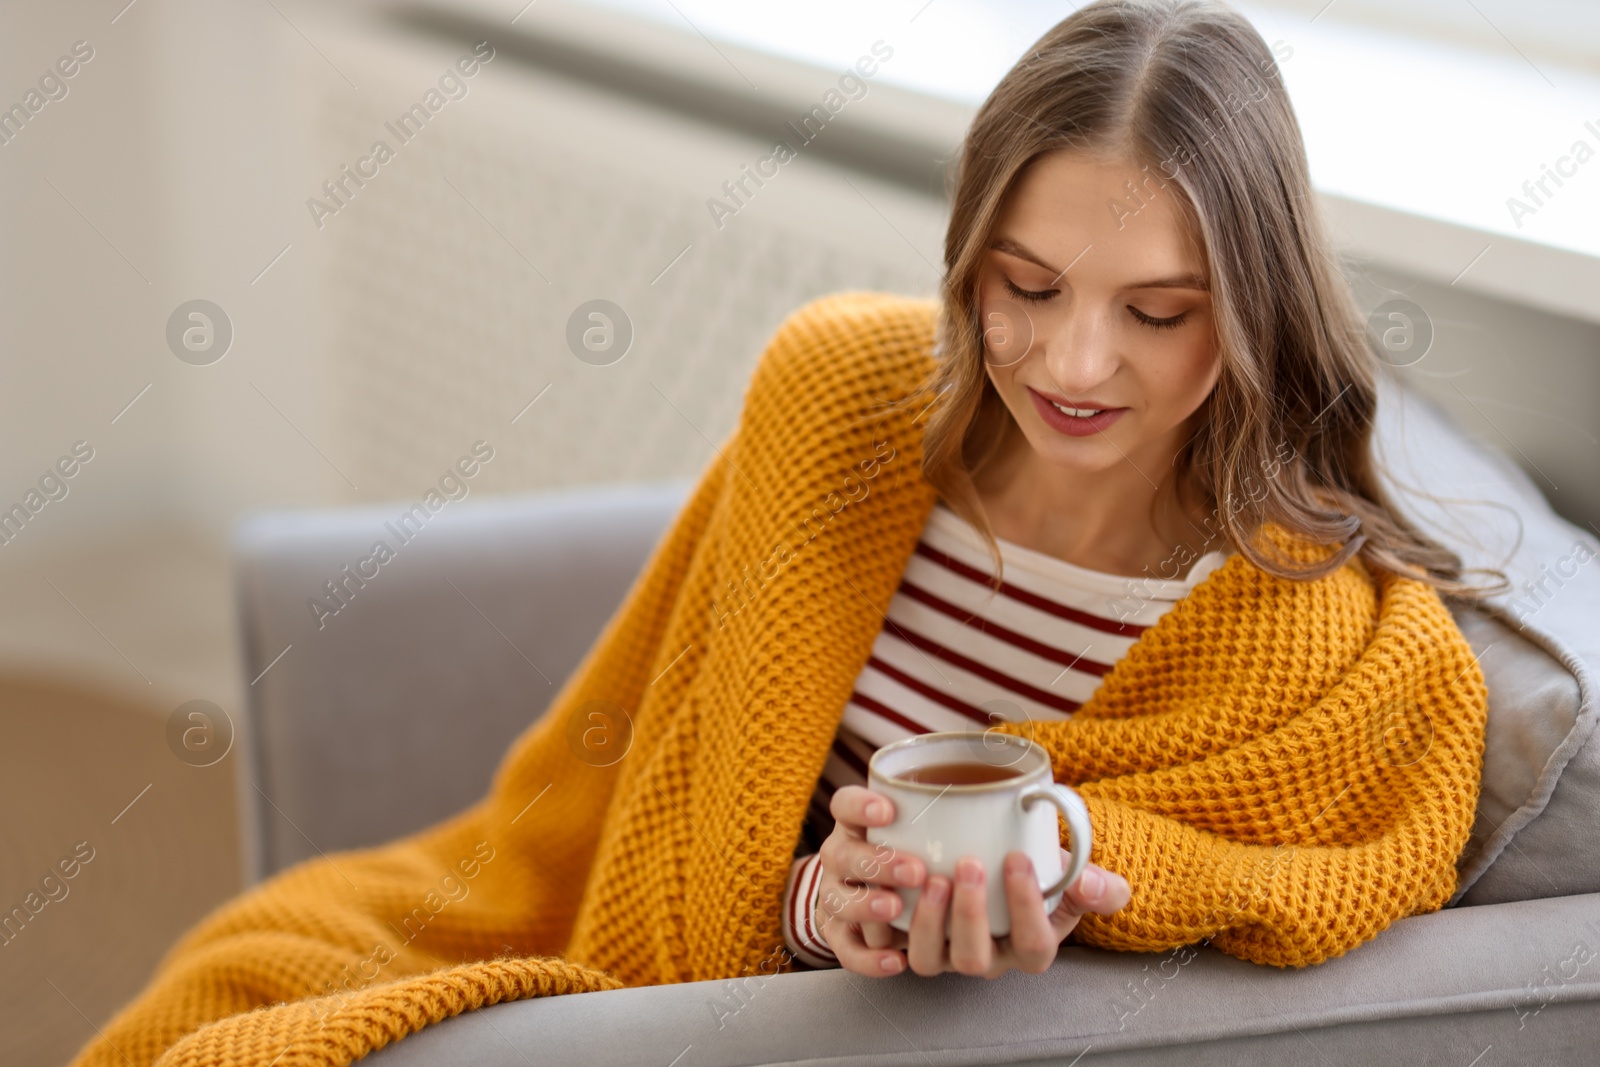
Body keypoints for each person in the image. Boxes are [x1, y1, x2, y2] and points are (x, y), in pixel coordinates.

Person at [775, 0, 1501, 980]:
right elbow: (671, 775)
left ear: (1256, 309)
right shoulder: (838, 393)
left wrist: (1081, 842)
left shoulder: (1292, 627)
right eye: (1030, 288)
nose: (1073, 366)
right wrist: (811, 909)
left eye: (1156, 312)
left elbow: (1362, 867)